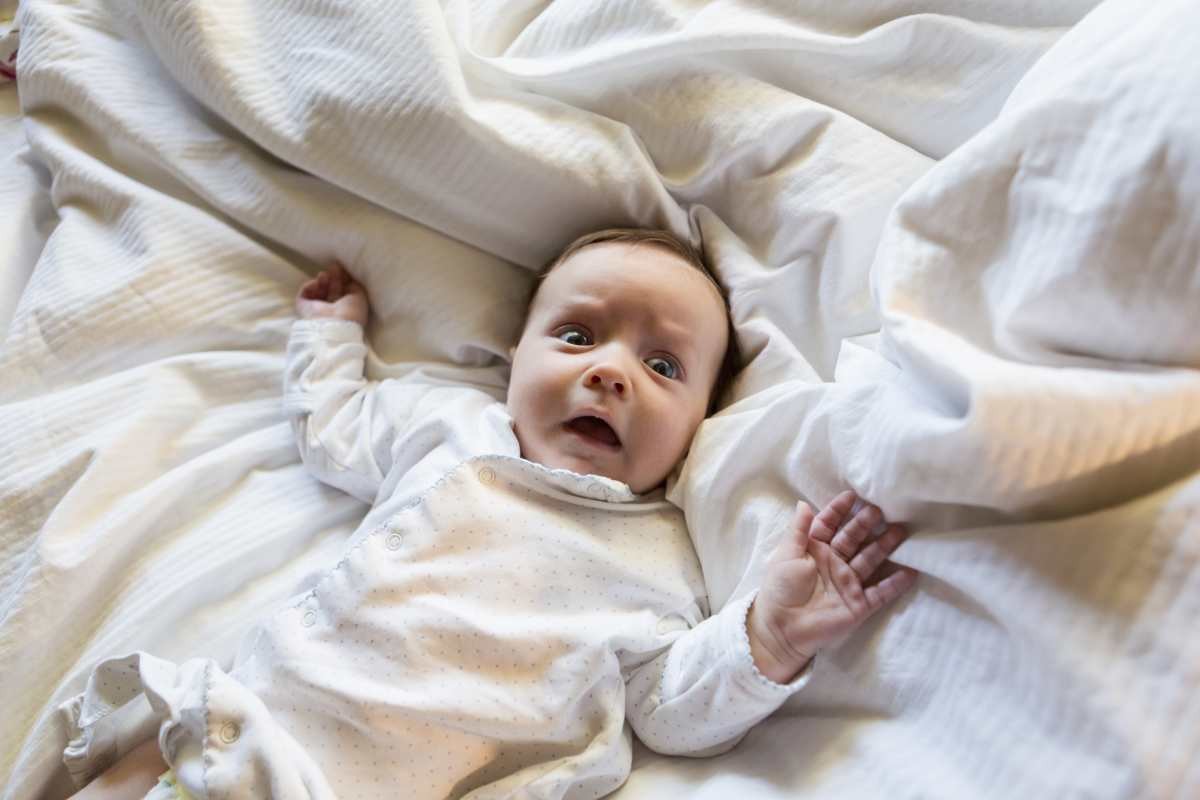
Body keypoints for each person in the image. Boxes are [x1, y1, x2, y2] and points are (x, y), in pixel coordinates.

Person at [64, 228, 917, 800]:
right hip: (272, 734)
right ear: (515, 360)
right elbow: (336, 433)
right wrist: (328, 337)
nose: (611, 373)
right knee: (141, 768)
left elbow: (668, 708)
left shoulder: (662, 554)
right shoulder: (453, 430)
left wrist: (768, 636)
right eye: (577, 336)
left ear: (702, 421)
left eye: (663, 366)